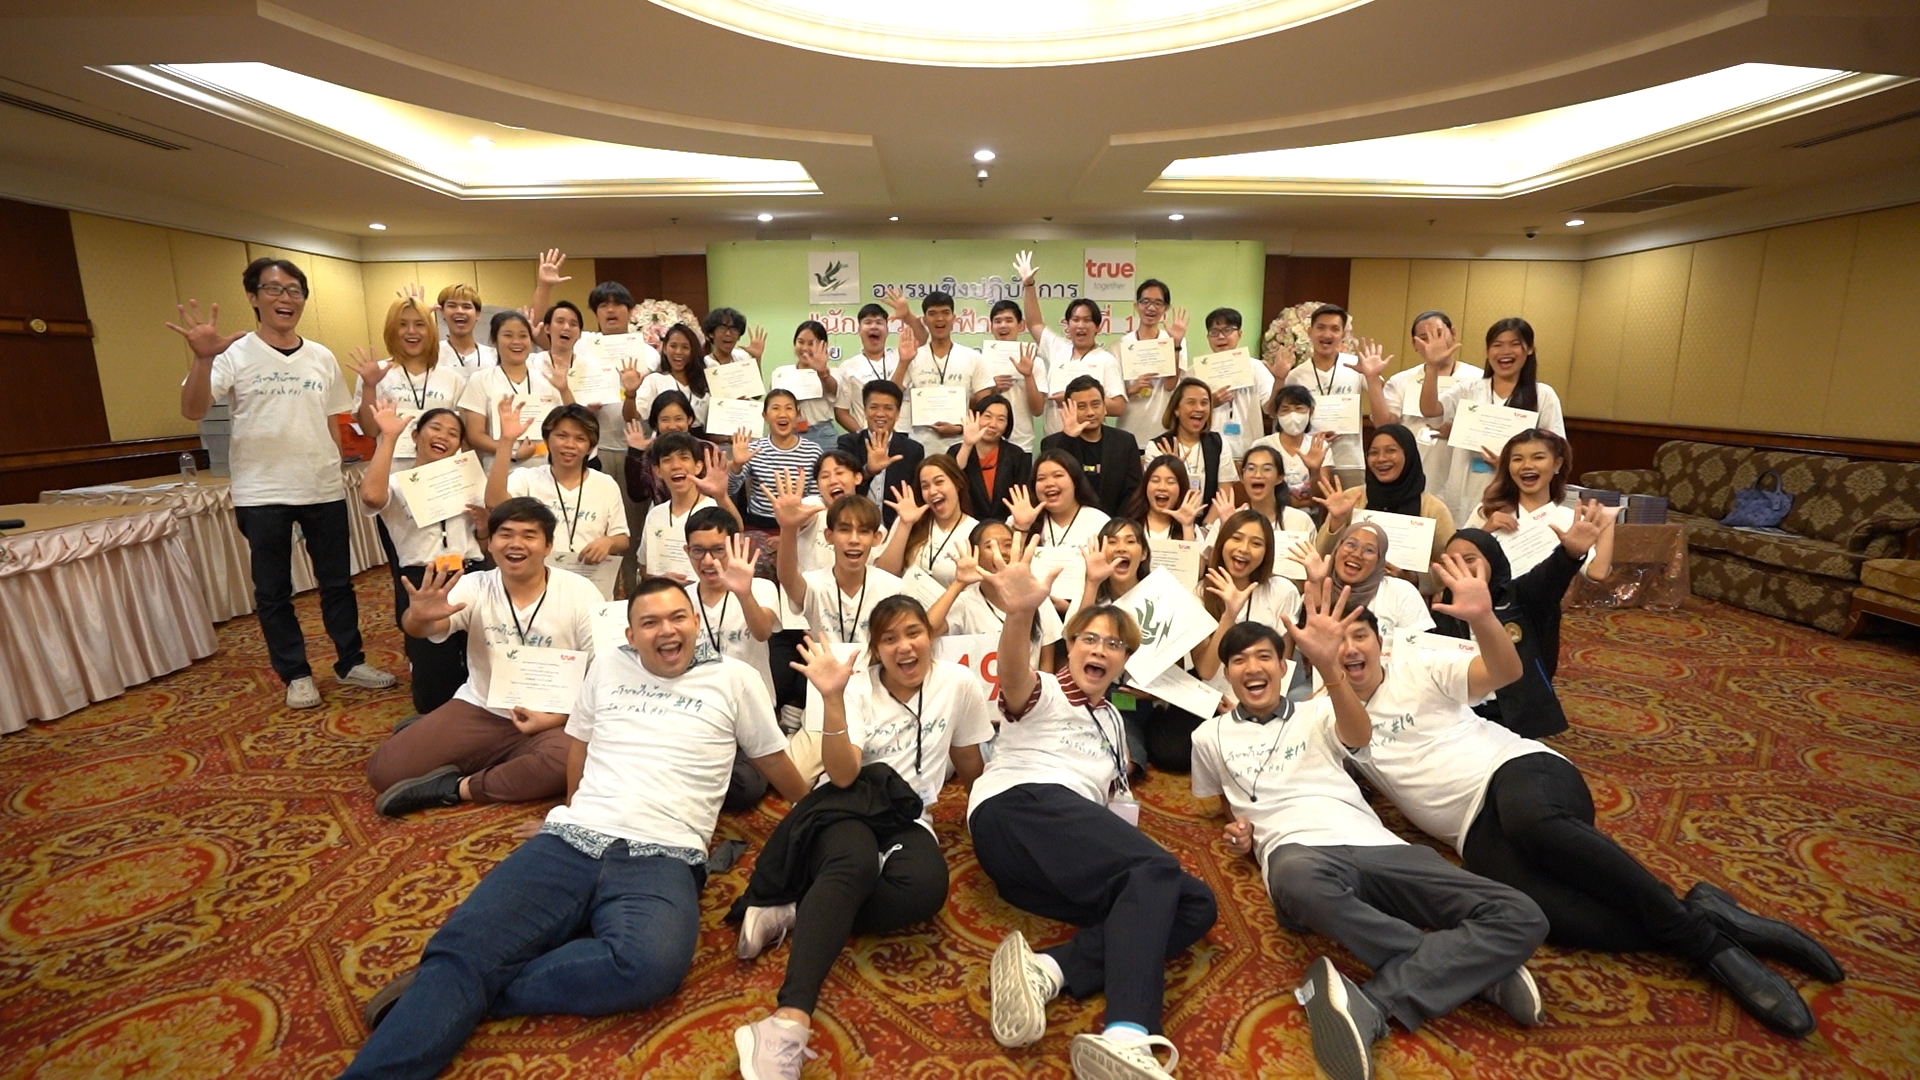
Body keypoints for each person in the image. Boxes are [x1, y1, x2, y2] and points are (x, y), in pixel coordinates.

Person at [1347, 555, 1834, 1039]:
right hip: (1472, 833)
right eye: (1336, 642)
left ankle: (1709, 945)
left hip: (1517, 772)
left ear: (1380, 643)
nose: (1350, 649)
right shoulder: (1326, 715)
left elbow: (1503, 672)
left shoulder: (1417, 666)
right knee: (1556, 919)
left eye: (1360, 635)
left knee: (1534, 824)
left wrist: (1484, 620)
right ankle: (1707, 911)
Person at [344, 578, 811, 1080]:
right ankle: (448, 989)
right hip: (572, 839)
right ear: (630, 634)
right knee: (465, 945)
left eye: (678, 617)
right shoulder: (607, 665)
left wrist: (819, 809)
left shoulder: (735, 679)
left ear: (695, 623)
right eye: (650, 622)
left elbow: (776, 765)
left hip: (665, 853)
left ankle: (455, 991)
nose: (667, 630)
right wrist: (566, 811)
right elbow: (579, 747)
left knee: (649, 967)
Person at [1193, 601, 1551, 1080]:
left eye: (1264, 657)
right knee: (1298, 884)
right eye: (1239, 660)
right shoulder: (1207, 737)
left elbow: (1359, 735)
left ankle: (1375, 1001)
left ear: (1282, 667)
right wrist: (1242, 830)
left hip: (1377, 845)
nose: (1252, 668)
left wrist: (1328, 667)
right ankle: (1476, 973)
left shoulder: (1320, 709)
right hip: (1296, 853)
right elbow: (1225, 800)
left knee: (1523, 914)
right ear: (1228, 673)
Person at [970, 532, 1217, 1079]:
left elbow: (1110, 811)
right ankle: (1128, 1035)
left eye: (1114, 645)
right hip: (1018, 809)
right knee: (1155, 869)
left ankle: (1049, 969)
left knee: (1195, 904)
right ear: (1071, 643)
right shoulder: (1044, 690)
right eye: (1089, 639)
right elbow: (1012, 675)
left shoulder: (1113, 722)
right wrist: (1018, 615)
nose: (1100, 650)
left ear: (1125, 660)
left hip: (1049, 865)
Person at [731, 602, 992, 1078]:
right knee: (855, 865)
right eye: (889, 638)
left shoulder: (959, 684)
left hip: (907, 814)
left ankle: (799, 908)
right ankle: (787, 1021)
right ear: (876, 649)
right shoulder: (856, 687)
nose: (904, 646)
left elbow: (969, 759)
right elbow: (843, 774)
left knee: (924, 890)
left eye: (913, 633)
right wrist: (832, 699)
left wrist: (986, 815)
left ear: (930, 636)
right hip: (848, 805)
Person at [172, 257, 395, 709]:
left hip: (322, 487)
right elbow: (193, 409)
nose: (285, 298)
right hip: (262, 492)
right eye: (273, 289)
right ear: (253, 297)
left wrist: (335, 467)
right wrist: (202, 358)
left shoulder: (321, 356)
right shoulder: (232, 354)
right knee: (273, 591)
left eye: (294, 290)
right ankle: (296, 674)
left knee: (338, 583)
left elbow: (333, 421)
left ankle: (350, 662)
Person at [364, 495, 603, 817]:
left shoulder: (580, 592)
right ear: (490, 543)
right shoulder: (474, 586)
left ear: (548, 546)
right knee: (384, 771)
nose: (515, 544)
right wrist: (418, 616)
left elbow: (601, 670)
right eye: (505, 534)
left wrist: (558, 718)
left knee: (569, 764)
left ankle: (455, 787)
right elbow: (422, 628)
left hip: (555, 716)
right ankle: (484, 750)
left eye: (529, 535)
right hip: (484, 708)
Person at [1430, 507, 1617, 737]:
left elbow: (1551, 576)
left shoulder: (1522, 596)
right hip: (1460, 710)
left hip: (1513, 711)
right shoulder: (1442, 609)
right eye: (1451, 562)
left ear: (1492, 560)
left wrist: (1570, 554)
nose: (1461, 568)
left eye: (1470, 560)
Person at [359, 402, 485, 714]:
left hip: (470, 573)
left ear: (459, 445)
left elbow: (482, 540)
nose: (443, 436)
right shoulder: (396, 484)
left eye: (453, 434)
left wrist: (484, 525)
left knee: (479, 658)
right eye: (435, 428)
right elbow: (371, 497)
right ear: (416, 436)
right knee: (433, 669)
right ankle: (435, 720)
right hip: (423, 580)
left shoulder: (469, 483)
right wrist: (389, 437)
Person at [1422, 317, 1567, 523]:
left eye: (1514, 344)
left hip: (1516, 496)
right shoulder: (1468, 389)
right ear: (1487, 351)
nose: (1505, 351)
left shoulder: (1543, 395)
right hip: (1466, 491)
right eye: (1497, 345)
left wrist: (1509, 464)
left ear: (1529, 349)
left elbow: (1556, 450)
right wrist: (1432, 366)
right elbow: (1430, 410)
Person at [487, 404, 631, 601]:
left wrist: (608, 542)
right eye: (562, 436)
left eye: (580, 438)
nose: (570, 444)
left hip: (590, 586)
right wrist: (506, 441)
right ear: (547, 439)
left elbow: (622, 538)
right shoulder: (526, 478)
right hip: (537, 587)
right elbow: (494, 503)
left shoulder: (606, 484)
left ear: (590, 447)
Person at [1312, 425, 1457, 582]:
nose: (1381, 459)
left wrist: (1414, 579)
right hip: (1350, 591)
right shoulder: (1352, 498)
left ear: (1408, 454)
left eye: (1390, 451)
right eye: (1374, 452)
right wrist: (1337, 521)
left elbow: (1450, 566)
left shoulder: (1433, 508)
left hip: (1408, 594)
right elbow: (1321, 556)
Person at [1363, 311, 1479, 500]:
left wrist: (1460, 431)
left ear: (1453, 334)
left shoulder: (1478, 378)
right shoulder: (1401, 380)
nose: (1432, 343)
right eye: (1424, 338)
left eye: (1438, 334)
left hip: (1463, 472)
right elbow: (1385, 425)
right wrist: (1372, 379)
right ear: (1414, 344)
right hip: (1416, 471)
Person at [773, 481, 905, 647]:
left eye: (863, 531)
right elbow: (787, 578)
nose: (854, 540)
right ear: (829, 536)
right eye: (844, 530)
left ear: (876, 538)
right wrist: (788, 528)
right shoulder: (814, 583)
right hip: (824, 663)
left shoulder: (893, 587)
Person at [1013, 251, 1126, 436]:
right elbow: (1034, 324)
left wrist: (1071, 400)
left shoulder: (1106, 360)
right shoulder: (1058, 348)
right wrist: (1028, 285)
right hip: (1054, 439)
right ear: (1067, 325)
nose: (1081, 325)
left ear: (1098, 326)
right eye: (1075, 319)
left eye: (1087, 320)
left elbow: (1119, 406)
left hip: (1089, 440)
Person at [350, 291, 466, 468]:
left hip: (440, 475)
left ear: (430, 330)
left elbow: (461, 436)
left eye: (420, 324)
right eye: (402, 324)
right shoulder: (375, 373)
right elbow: (370, 431)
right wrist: (369, 386)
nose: (411, 331)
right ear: (392, 329)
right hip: (390, 472)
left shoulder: (453, 379)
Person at [1192, 510, 1303, 691]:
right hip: (1214, 697)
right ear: (1222, 543)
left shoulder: (1283, 591)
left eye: (1256, 543)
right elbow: (1206, 670)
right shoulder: (1200, 593)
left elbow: (1282, 667)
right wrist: (1229, 615)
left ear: (1267, 552)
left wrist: (1249, 702)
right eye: (1236, 538)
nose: (1244, 549)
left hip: (1262, 696)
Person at [456, 310, 570, 472]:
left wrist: (564, 389)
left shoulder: (547, 378)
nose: (516, 341)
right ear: (495, 340)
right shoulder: (481, 380)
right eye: (508, 335)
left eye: (523, 336)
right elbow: (475, 435)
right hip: (501, 471)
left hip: (546, 470)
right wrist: (512, 452)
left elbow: (573, 422)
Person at [925, 520, 1065, 648]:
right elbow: (927, 631)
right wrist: (959, 583)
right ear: (975, 553)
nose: (1001, 552)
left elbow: (1047, 661)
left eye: (1008, 545)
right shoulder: (966, 602)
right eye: (990, 546)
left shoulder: (1036, 597)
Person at [1297, 522, 1435, 645]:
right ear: (1337, 548)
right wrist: (1315, 582)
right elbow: (1308, 646)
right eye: (1351, 545)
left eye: (1369, 550)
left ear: (1379, 561)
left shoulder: (1401, 592)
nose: (1357, 554)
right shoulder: (1319, 587)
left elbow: (1417, 648)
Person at [1466, 429, 1578, 576]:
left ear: (1557, 464)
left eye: (1538, 458)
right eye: (1518, 459)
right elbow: (1457, 558)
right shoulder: (1487, 511)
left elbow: (1594, 573)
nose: (1527, 465)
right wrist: (1486, 531)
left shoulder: (1570, 518)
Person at [1281, 305, 1366, 487]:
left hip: (1350, 460)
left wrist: (1372, 375)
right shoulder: (1296, 375)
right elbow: (1281, 415)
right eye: (1321, 327)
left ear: (1343, 334)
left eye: (1335, 329)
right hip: (1309, 461)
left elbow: (1382, 401)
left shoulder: (1357, 366)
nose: (1327, 334)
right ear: (1310, 332)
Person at [637, 433, 738, 581]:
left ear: (698, 467)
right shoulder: (654, 515)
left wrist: (721, 496)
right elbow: (644, 568)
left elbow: (737, 532)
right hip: (664, 592)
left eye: (684, 458)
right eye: (667, 460)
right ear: (657, 471)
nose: (676, 466)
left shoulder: (714, 508)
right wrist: (662, 580)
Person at [1040, 375, 1143, 518]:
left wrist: (1115, 524)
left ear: (1104, 407)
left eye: (1096, 404)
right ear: (1068, 409)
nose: (1090, 412)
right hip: (1070, 522)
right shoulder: (1052, 444)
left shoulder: (1125, 442)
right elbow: (1055, 486)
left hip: (1115, 522)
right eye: (1081, 407)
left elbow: (1133, 492)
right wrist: (1069, 438)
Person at [899, 290, 983, 457]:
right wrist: (903, 362)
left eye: (945, 312)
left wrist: (960, 428)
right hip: (919, 446)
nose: (939, 318)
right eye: (932, 314)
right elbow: (891, 394)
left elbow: (985, 404)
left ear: (954, 318)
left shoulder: (972, 357)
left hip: (961, 446)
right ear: (924, 320)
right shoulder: (913, 356)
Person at [875, 455, 980, 588]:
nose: (932, 491)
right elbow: (884, 575)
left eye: (939, 482)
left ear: (958, 483)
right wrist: (905, 525)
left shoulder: (976, 531)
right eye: (925, 486)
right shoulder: (910, 520)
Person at [728, 389, 825, 531]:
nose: (782, 414)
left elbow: (817, 498)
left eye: (789, 408)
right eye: (775, 408)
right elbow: (730, 490)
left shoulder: (813, 451)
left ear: (798, 415)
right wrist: (736, 465)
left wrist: (791, 532)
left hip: (801, 525)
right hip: (759, 525)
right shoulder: (753, 450)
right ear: (765, 416)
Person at [836, 380, 923, 528]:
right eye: (874, 407)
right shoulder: (848, 443)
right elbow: (843, 489)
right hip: (855, 524)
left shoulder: (913, 450)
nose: (880, 414)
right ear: (865, 410)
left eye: (888, 408)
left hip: (897, 527)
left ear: (898, 413)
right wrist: (868, 471)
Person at [1114, 279, 1187, 446]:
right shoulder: (1120, 346)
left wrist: (1176, 344)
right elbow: (1113, 395)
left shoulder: (1175, 340)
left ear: (1166, 308)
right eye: (1145, 302)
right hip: (1128, 430)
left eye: (1158, 303)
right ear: (1136, 306)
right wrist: (1132, 389)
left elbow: (1170, 385)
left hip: (1164, 430)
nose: (1151, 308)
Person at [1194, 307, 1272, 465]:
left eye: (1228, 330)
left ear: (1240, 334)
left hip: (1248, 452)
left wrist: (1280, 379)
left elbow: (1271, 409)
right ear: (1208, 337)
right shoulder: (1196, 371)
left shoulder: (1256, 367)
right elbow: (1183, 413)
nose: (1221, 336)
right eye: (1214, 332)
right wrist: (1211, 403)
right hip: (1208, 451)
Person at [1148, 377, 1236, 511]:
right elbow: (1157, 500)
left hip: (1210, 521)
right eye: (1191, 402)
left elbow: (1224, 495)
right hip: (1171, 518)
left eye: (1204, 403)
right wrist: (1174, 470)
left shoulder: (1218, 444)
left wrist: (1207, 524)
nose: (1199, 408)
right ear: (1176, 409)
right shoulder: (1158, 447)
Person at [831, 302, 916, 436]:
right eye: (868, 322)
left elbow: (924, 338)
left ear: (887, 330)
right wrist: (862, 435)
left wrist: (903, 362)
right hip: (867, 437)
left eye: (879, 322)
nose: (874, 326)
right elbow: (841, 412)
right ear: (859, 330)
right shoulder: (847, 367)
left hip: (903, 435)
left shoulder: (901, 356)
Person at [623, 390, 714, 509]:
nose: (672, 426)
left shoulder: (707, 449)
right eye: (665, 420)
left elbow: (722, 490)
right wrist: (635, 452)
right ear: (656, 423)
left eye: (678, 419)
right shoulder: (651, 452)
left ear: (689, 419)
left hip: (705, 513)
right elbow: (638, 495)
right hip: (664, 514)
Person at [1009, 449, 1111, 554]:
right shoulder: (1018, 519)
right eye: (1041, 478)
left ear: (1075, 481)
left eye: (1058, 476)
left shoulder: (1099, 521)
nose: (1049, 483)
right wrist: (1022, 528)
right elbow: (1006, 560)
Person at [952, 395, 1032, 524]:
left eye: (1001, 419)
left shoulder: (1017, 455)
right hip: (965, 525)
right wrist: (967, 445)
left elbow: (1023, 497)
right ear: (976, 418)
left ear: (1007, 425)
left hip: (1006, 525)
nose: (993, 424)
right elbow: (952, 479)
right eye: (987, 416)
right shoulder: (957, 451)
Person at [1250, 385, 1331, 506]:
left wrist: (1314, 470)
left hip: (1310, 516)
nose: (1293, 415)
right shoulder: (1262, 446)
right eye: (1285, 409)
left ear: (1311, 411)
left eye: (1299, 408)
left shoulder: (1320, 446)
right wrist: (1292, 503)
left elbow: (1321, 497)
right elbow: (1257, 491)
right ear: (1277, 413)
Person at [1222, 444, 1317, 542]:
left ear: (1280, 477)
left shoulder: (1300, 521)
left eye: (1266, 469)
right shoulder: (1230, 518)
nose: (1258, 475)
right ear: (1242, 477)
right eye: (1251, 468)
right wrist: (1226, 528)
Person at [628, 322, 710, 435]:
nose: (678, 352)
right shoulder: (654, 380)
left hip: (699, 441)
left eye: (685, 347)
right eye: (673, 346)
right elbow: (632, 417)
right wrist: (630, 394)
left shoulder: (706, 381)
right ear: (665, 349)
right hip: (665, 440)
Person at [770, 321, 841, 450]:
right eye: (800, 342)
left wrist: (822, 372)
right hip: (787, 434)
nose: (804, 348)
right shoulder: (780, 373)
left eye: (811, 343)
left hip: (822, 435)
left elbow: (833, 390)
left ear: (823, 345)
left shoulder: (831, 373)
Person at [982, 299, 1040, 453]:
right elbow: (973, 405)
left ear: (1020, 325)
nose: (1003, 325)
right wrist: (992, 390)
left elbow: (1037, 410)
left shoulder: (1035, 361)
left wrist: (1028, 376)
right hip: (985, 441)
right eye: (997, 321)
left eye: (1009, 320)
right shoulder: (980, 361)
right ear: (991, 326)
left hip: (1022, 443)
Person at [1124, 455, 1208, 543]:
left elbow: (1192, 552)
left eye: (1170, 482)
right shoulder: (1128, 525)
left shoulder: (1191, 529)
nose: (1162, 487)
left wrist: (1187, 526)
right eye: (1155, 481)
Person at [434, 282, 494, 371]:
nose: (460, 311)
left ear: (477, 314)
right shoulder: (432, 353)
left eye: (466, 306)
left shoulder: (494, 356)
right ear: (442, 312)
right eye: (452, 306)